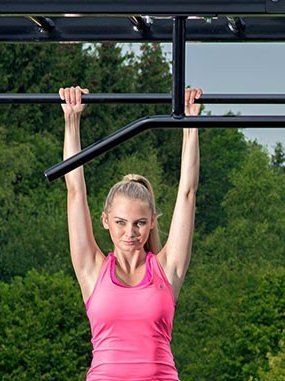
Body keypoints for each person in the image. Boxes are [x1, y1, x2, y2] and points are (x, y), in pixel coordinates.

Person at [60, 85, 203, 380]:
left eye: (139, 222)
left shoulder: (167, 269)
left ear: (152, 221)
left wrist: (191, 123)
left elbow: (187, 193)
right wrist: (72, 120)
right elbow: (75, 191)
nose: (130, 232)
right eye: (121, 222)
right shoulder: (92, 270)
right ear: (105, 221)